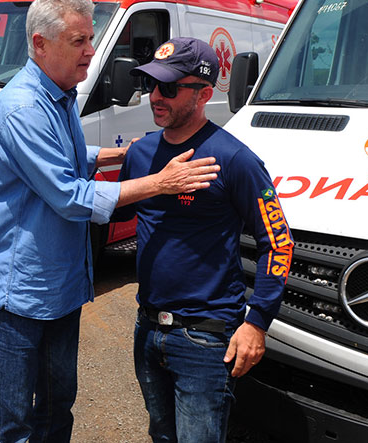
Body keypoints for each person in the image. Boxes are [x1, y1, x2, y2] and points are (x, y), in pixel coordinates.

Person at [0, 0, 221, 443]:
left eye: (91, 38)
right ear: (40, 44)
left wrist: (122, 153)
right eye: (78, 41)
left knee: (56, 405)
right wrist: (158, 182)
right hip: (22, 294)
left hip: (59, 287)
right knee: (13, 421)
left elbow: (68, 155)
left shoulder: (59, 96)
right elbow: (69, 196)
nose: (91, 51)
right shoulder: (24, 108)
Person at [114, 37, 294, 443]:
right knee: (162, 434)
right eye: (151, 85)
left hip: (205, 338)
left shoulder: (234, 159)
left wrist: (257, 322)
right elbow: (117, 212)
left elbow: (278, 241)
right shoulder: (141, 153)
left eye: (170, 88)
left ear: (204, 94)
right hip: (149, 327)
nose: (156, 97)